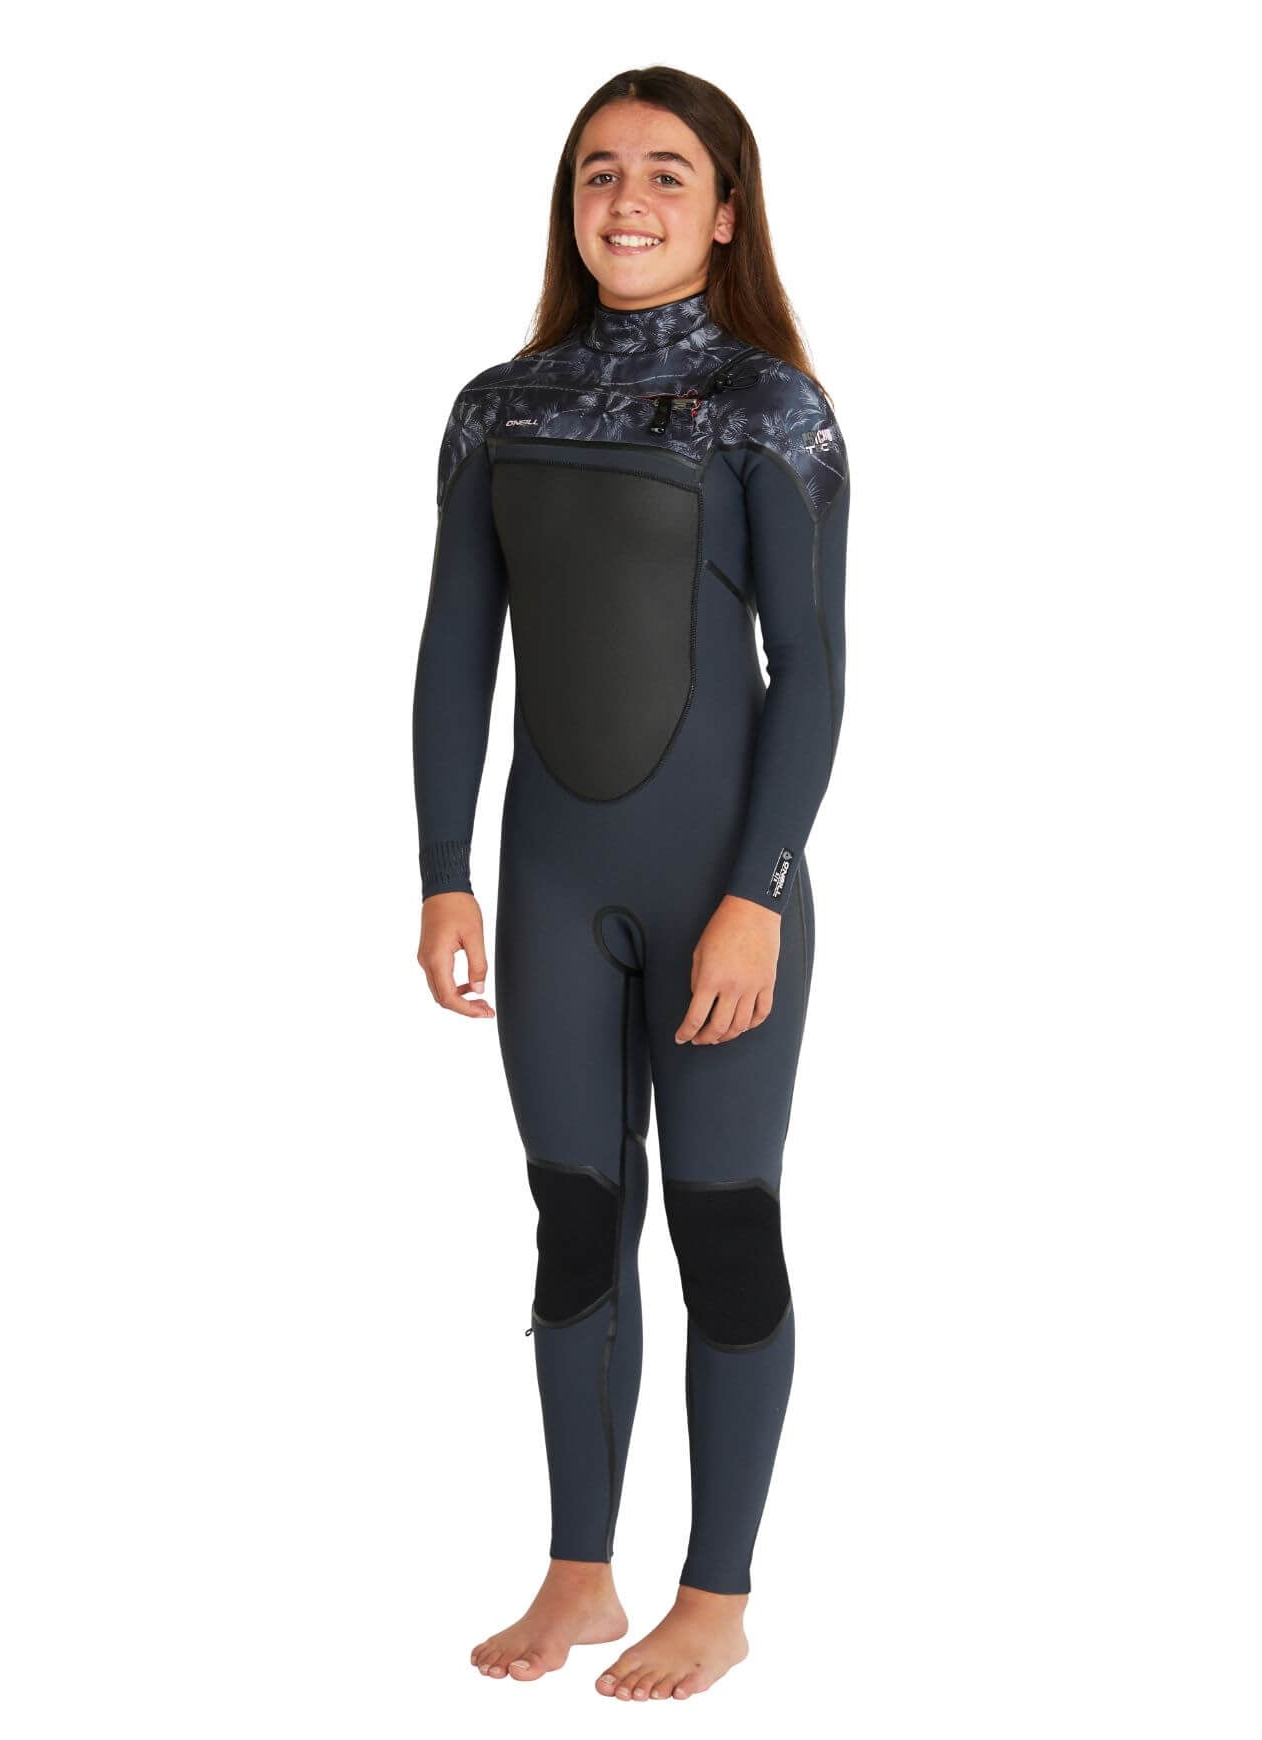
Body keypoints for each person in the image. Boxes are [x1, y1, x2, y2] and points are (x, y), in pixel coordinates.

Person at [412, 65, 850, 1701]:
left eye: (669, 172)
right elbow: (455, 655)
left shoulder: (767, 410)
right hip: (549, 885)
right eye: (601, 169)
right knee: (575, 1222)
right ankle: (578, 1572)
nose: (630, 198)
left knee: (723, 1226)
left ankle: (715, 1594)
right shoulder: (499, 406)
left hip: (722, 889)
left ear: (726, 212)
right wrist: (443, 875)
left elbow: (812, 673)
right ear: (569, 201)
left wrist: (760, 892)